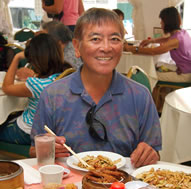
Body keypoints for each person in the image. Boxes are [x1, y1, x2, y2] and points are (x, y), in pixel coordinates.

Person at [30, 8, 162, 168]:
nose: (106, 47)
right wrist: (48, 150)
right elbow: (34, 150)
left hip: (121, 186)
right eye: (95, 39)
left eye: (114, 39)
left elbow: (154, 152)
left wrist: (149, 153)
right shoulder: (53, 95)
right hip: (69, 187)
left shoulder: (140, 96)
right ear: (77, 47)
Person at [0, 33, 64, 145]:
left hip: (28, 131)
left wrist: (16, 58)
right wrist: (34, 74)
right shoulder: (63, 75)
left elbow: (6, 88)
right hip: (52, 128)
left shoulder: (36, 85)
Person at [124, 6, 191, 83]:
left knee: (150, 75)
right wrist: (151, 41)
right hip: (186, 69)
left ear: (167, 22)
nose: (160, 23)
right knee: (157, 66)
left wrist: (133, 49)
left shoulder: (176, 40)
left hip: (185, 75)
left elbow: (154, 51)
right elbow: (167, 39)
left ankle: (151, 94)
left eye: (162, 20)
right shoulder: (183, 33)